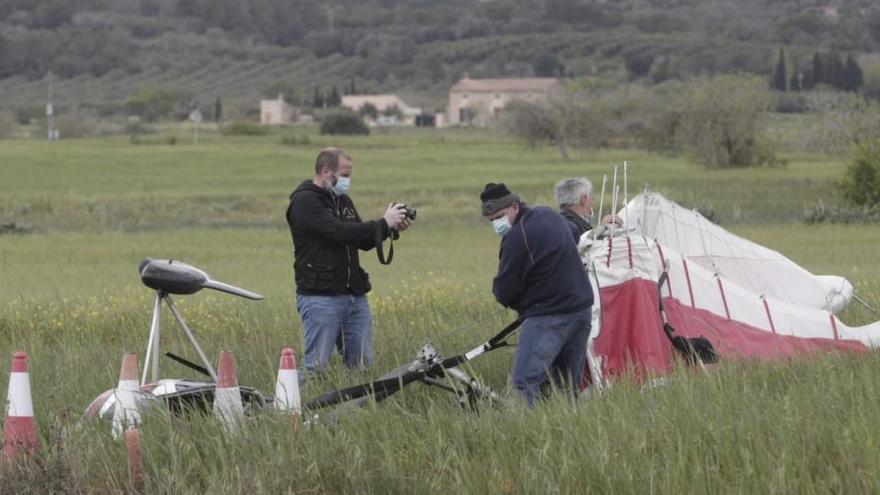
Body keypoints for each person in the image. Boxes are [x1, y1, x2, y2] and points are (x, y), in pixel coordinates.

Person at [286, 148, 411, 377]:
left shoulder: (342, 200)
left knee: (362, 366)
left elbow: (361, 240)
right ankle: (291, 409)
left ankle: (358, 409)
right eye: (344, 174)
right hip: (320, 296)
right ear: (326, 171)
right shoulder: (305, 202)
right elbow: (338, 232)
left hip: (354, 294)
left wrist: (388, 228)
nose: (348, 180)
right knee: (316, 367)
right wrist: (382, 222)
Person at [480, 182, 593, 405]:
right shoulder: (547, 214)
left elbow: (504, 291)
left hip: (548, 317)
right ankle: (571, 429)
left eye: (500, 216)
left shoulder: (515, 238)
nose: (497, 224)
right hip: (582, 311)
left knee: (524, 383)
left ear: (514, 207)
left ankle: (524, 435)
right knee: (567, 385)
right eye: (492, 221)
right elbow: (572, 234)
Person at [553, 177, 622, 242]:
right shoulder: (570, 225)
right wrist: (603, 227)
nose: (593, 199)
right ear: (584, 199)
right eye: (591, 195)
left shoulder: (558, 219)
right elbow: (583, 246)